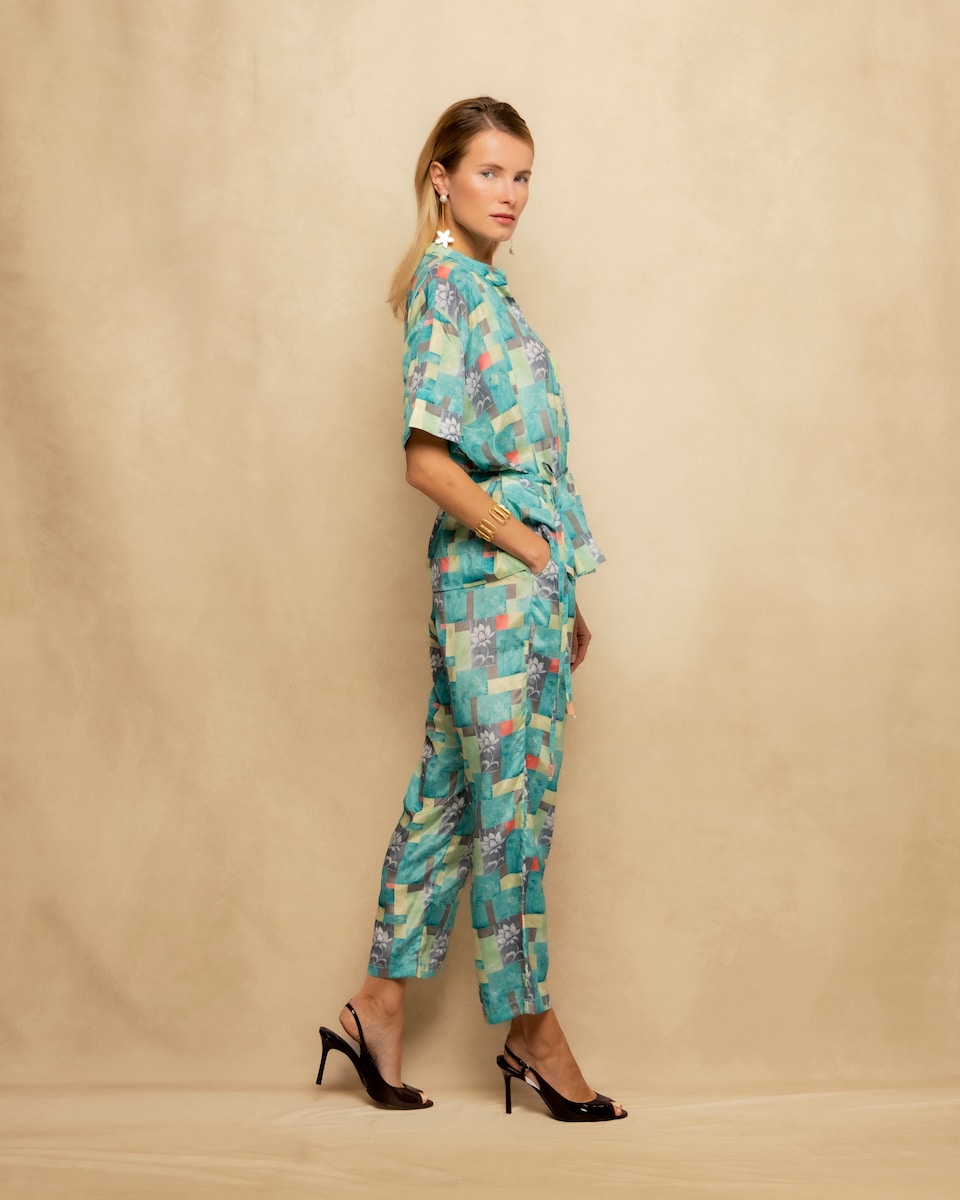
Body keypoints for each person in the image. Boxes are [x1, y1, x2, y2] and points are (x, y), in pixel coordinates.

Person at [317, 97, 626, 1123]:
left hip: (510, 590)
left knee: (450, 801)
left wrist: (560, 582)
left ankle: (375, 1005)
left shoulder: (482, 290)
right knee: (511, 812)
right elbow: (427, 460)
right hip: (498, 584)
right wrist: (530, 550)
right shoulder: (449, 288)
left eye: (523, 175)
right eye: (491, 172)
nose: (512, 194)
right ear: (441, 178)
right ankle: (532, 1030)